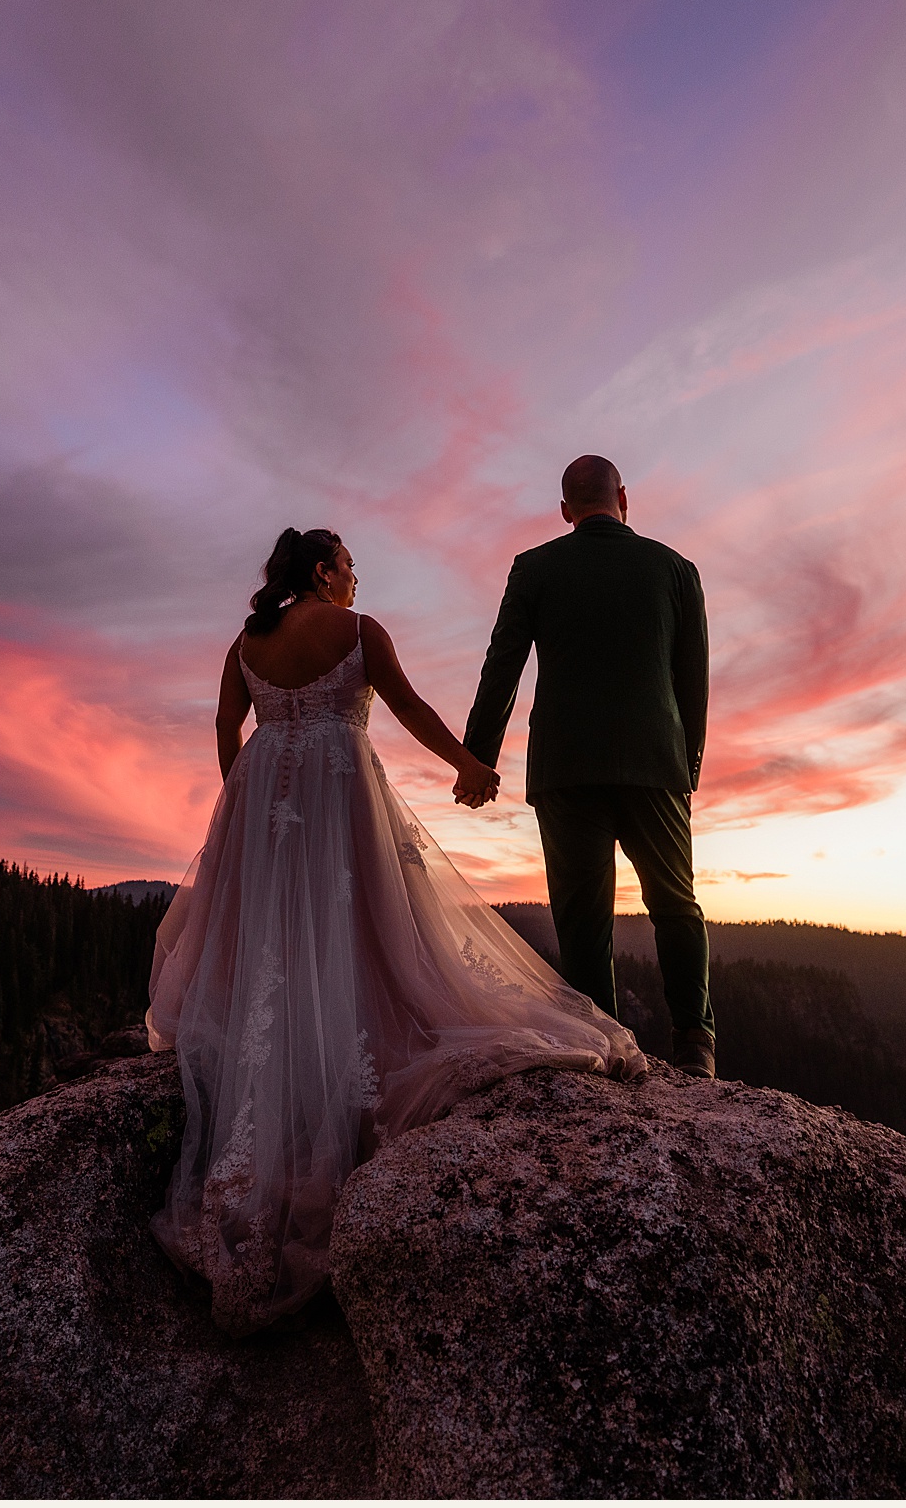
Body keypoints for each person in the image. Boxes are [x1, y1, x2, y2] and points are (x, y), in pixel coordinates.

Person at [148, 526, 642, 1336]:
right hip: (341, 794)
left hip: (268, 802)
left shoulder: (250, 639)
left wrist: (244, 792)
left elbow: (223, 725)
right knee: (368, 924)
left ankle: (279, 1097)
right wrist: (468, 764)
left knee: (278, 938)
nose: (355, 578)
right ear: (323, 570)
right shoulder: (356, 630)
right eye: (349, 566)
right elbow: (408, 707)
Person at [461, 455, 716, 1077]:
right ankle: (695, 1042)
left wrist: (477, 759)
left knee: (582, 917)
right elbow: (693, 681)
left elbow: (503, 667)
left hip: (566, 766)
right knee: (675, 904)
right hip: (655, 763)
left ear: (566, 511)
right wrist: (688, 767)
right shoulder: (675, 570)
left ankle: (600, 1045)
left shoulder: (535, 568)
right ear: (623, 498)